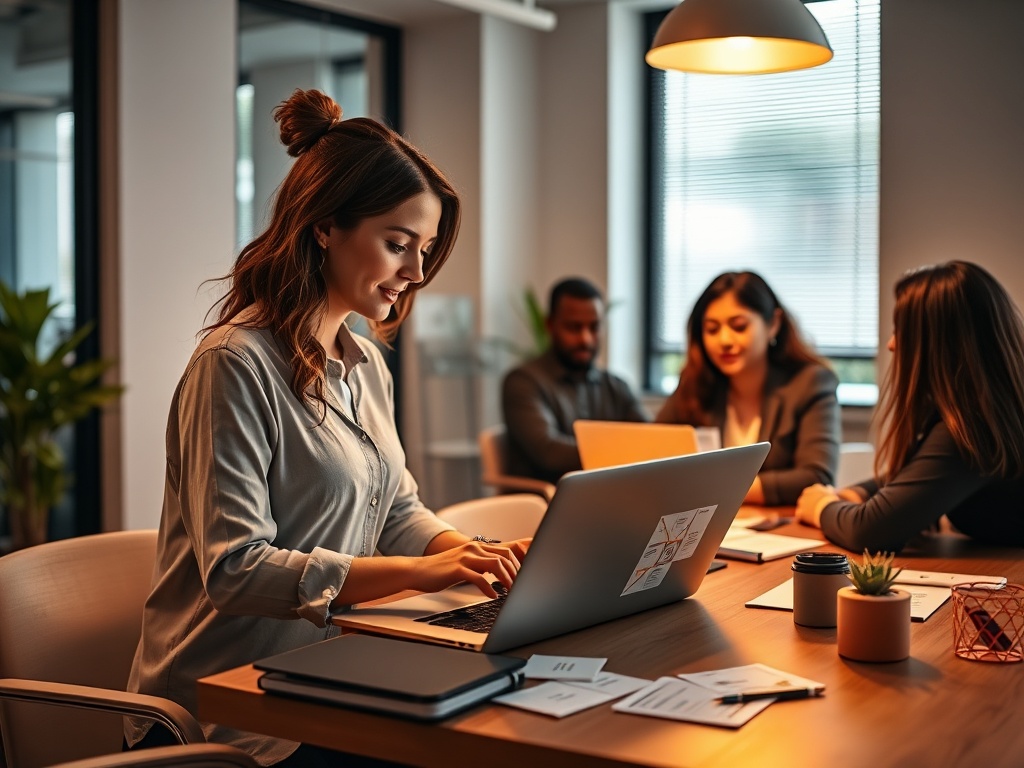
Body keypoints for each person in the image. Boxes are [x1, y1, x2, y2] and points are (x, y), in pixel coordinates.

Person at [124, 89, 527, 767]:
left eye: (424, 249)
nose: (417, 273)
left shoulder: (365, 361)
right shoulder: (233, 364)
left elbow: (395, 507)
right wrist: (424, 574)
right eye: (398, 244)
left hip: (326, 681)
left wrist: (473, 557)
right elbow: (236, 570)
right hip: (227, 720)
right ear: (323, 226)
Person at [796, 260, 1024, 552]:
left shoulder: (971, 429)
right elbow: (924, 473)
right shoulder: (992, 411)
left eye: (901, 330)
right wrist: (858, 492)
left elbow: (869, 533)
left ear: (939, 343)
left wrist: (822, 506)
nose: (891, 344)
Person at [656, 271, 840, 506]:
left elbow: (817, 477)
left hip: (780, 531)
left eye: (739, 326)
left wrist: (715, 487)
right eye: (712, 329)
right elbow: (653, 457)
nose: (724, 340)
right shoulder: (696, 383)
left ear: (773, 324)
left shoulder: (810, 383)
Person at [501, 277, 649, 484]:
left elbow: (652, 438)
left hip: (606, 499)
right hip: (542, 506)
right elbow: (549, 452)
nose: (586, 339)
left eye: (594, 327)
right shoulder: (523, 382)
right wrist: (625, 450)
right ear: (550, 325)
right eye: (574, 327)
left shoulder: (616, 386)